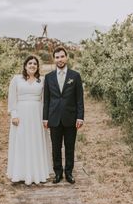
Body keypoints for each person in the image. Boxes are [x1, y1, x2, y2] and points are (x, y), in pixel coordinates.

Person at [7, 55, 52, 185]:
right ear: (25, 65)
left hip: (37, 114)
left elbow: (45, 100)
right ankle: (21, 172)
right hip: (21, 114)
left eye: (35, 64)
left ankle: (37, 172)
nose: (32, 65)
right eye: (30, 63)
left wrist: (45, 117)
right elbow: (12, 98)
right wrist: (14, 114)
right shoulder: (16, 79)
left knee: (36, 141)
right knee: (22, 141)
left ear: (37, 67)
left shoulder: (42, 80)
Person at [43, 46, 84, 184]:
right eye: (57, 57)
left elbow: (79, 99)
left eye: (62, 56)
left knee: (69, 146)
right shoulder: (48, 77)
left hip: (70, 118)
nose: (59, 59)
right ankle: (58, 173)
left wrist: (80, 117)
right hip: (54, 118)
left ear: (66, 57)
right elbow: (47, 100)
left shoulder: (75, 76)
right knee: (56, 147)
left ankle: (69, 173)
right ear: (54, 59)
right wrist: (45, 118)